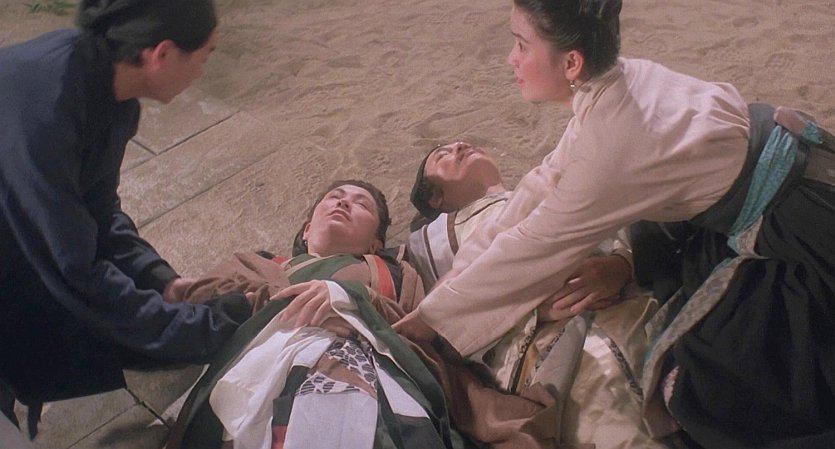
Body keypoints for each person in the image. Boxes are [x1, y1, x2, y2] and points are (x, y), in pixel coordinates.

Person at [395, 1, 835, 448]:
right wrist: (441, 295)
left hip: (802, 222)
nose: (511, 59)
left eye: (521, 45)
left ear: (571, 62)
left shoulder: (612, 139)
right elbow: (539, 186)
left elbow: (535, 245)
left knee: (710, 389)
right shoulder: (615, 84)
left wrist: (429, 324)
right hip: (772, 184)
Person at [0, 0, 252, 435]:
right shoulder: (47, 105)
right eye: (204, 55)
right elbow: (74, 268)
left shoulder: (113, 96)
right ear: (162, 54)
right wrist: (200, 330)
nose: (203, 70)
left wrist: (160, 280)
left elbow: (99, 211)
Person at [162, 180, 466, 449]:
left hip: (368, 375)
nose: (344, 203)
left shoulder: (395, 274)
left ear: (376, 244)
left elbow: (418, 334)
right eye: (335, 197)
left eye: (361, 204)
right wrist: (279, 300)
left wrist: (352, 299)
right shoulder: (255, 265)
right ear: (307, 230)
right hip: (254, 376)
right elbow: (201, 298)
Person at [408, 141, 666, 449]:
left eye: (461, 144)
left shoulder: (548, 184)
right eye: (442, 155)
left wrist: (621, 264)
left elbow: (619, 216)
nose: (459, 146)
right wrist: (532, 307)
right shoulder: (436, 242)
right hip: (552, 341)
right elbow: (445, 320)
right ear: (435, 198)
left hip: (638, 305)